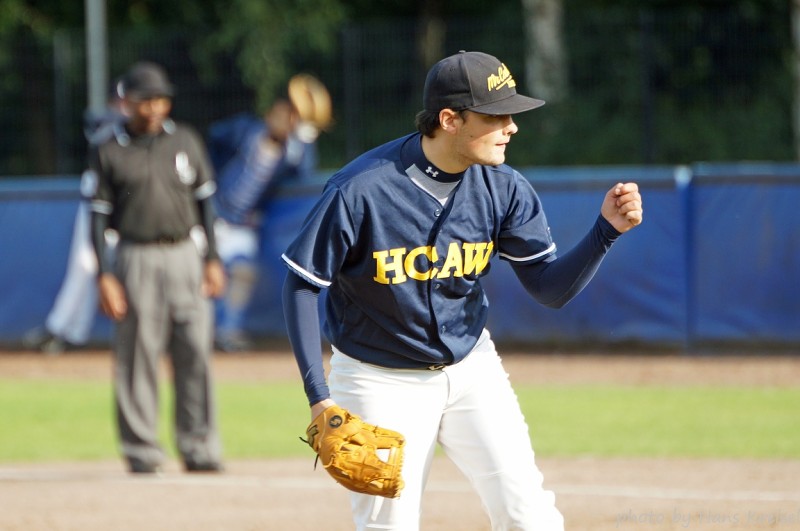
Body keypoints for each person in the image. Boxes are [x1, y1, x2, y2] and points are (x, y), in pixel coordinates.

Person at [281, 50, 643, 530]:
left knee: (529, 516)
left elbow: (548, 288)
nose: (512, 126)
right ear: (450, 120)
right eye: (496, 116)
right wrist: (319, 398)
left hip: (472, 369)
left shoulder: (504, 188)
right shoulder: (360, 189)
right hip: (378, 377)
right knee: (390, 526)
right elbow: (302, 284)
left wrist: (605, 232)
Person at [89, 61, 226, 474]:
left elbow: (205, 205)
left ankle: (199, 446)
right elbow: (97, 218)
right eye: (145, 100)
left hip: (185, 253)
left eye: (161, 100)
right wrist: (105, 275)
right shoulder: (108, 149)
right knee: (138, 355)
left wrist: (213, 259)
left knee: (195, 350)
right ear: (126, 102)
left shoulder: (184, 140)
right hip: (136, 256)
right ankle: (142, 449)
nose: (154, 108)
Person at [207, 74, 331, 352]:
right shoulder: (245, 129)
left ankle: (227, 332)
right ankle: (198, 331)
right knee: (202, 274)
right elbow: (214, 138)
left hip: (242, 222)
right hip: (212, 212)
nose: (285, 119)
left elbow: (305, 171)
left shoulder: (291, 152)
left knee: (242, 272)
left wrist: (301, 140)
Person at [22, 80, 127, 354]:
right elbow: (99, 127)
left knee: (123, 264)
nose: (124, 106)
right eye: (121, 101)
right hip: (99, 194)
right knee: (84, 262)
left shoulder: (145, 130)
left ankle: (69, 330)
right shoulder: (107, 123)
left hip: (129, 195)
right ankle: (63, 330)